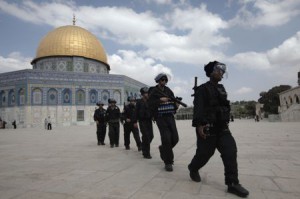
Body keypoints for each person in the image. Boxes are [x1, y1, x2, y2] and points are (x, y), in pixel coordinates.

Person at [188, 61, 249, 198]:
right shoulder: (202, 89)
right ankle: (193, 167)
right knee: (204, 154)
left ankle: (232, 183)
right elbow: (198, 109)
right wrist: (199, 125)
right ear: (211, 72)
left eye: (222, 71)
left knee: (230, 151)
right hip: (207, 128)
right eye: (218, 70)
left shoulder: (221, 88)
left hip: (222, 128)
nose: (221, 73)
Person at [148, 73, 179, 172]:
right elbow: (149, 104)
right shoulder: (153, 91)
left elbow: (173, 101)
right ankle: (168, 162)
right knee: (166, 139)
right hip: (160, 118)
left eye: (165, 80)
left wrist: (176, 105)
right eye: (162, 80)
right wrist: (159, 100)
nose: (164, 82)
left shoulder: (168, 90)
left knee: (175, 138)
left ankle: (163, 149)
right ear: (158, 81)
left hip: (170, 116)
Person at [136, 87, 154, 159]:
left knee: (151, 136)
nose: (147, 94)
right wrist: (134, 121)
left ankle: (144, 146)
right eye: (145, 93)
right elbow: (136, 112)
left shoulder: (150, 101)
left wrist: (153, 116)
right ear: (142, 94)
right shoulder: (139, 102)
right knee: (146, 136)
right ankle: (146, 153)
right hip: (142, 121)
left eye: (147, 93)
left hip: (149, 121)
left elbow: (152, 109)